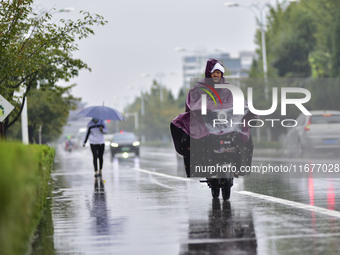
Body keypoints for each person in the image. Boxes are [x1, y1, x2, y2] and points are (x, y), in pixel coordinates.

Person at [170, 58, 254, 177]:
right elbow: (192, 104)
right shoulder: (198, 89)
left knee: (246, 137)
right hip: (205, 124)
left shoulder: (229, 89)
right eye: (214, 72)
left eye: (218, 73)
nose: (216, 75)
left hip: (227, 124)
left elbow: (241, 103)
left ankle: (240, 167)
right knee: (187, 138)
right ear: (208, 73)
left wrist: (248, 112)